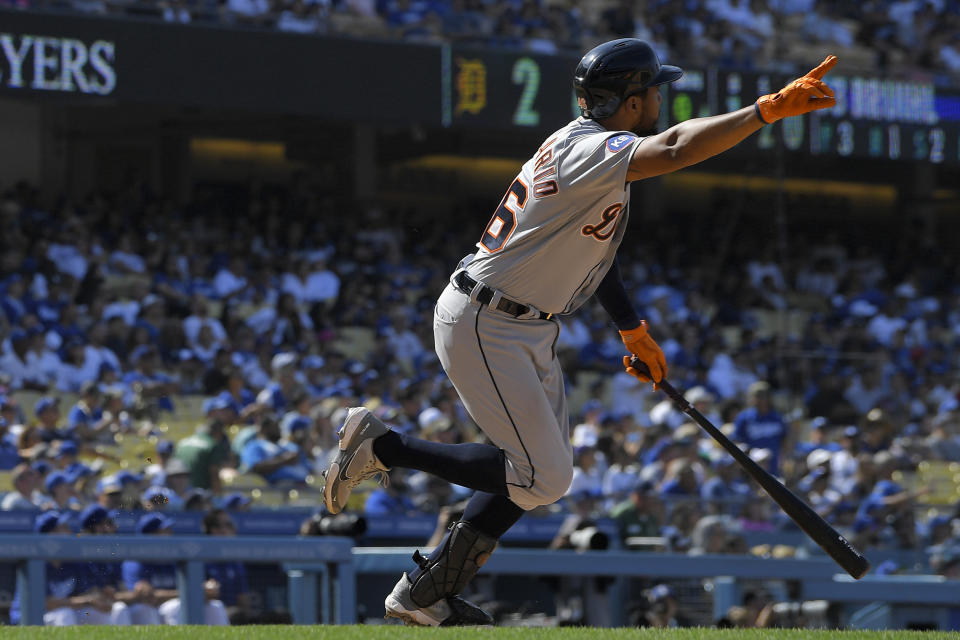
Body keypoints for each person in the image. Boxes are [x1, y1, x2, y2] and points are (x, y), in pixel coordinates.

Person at [321, 38, 838, 626]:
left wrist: (632, 330)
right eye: (655, 90)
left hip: (520, 324)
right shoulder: (590, 150)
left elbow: (595, 255)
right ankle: (382, 447)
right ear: (634, 100)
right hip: (488, 320)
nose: (661, 100)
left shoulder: (584, 147)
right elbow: (672, 148)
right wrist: (763, 111)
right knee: (543, 476)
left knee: (531, 475)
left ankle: (424, 594)